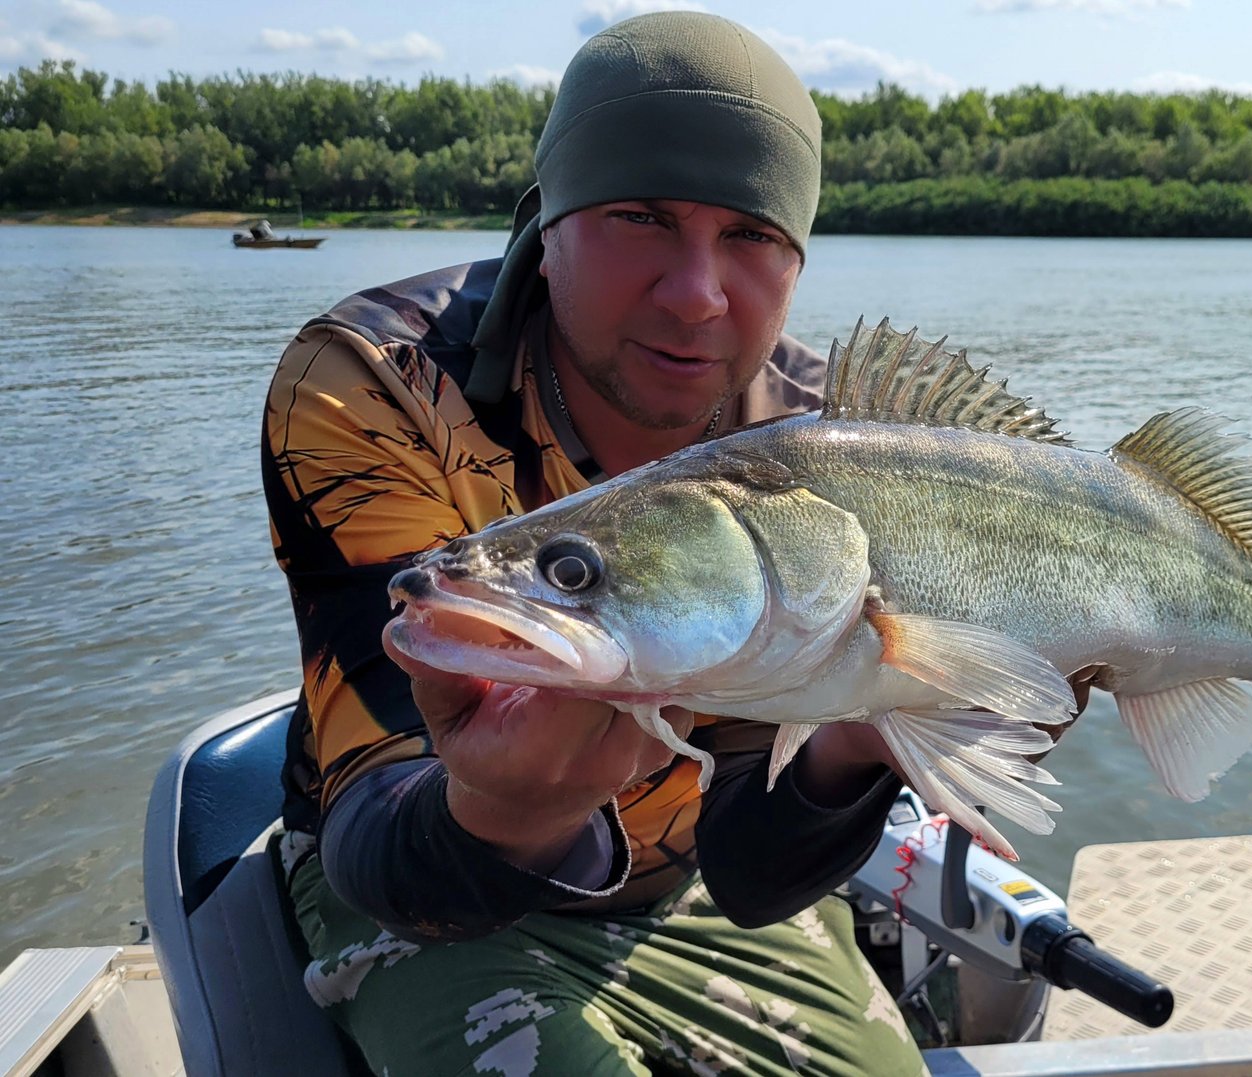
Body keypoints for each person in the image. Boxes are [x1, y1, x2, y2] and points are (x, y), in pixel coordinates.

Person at [260, 12, 930, 1075]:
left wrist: (869, 729)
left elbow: (753, 875)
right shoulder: (375, 383)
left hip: (692, 891)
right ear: (546, 221)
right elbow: (379, 836)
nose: (698, 294)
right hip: (415, 881)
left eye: (752, 236)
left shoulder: (820, 456)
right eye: (640, 216)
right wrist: (506, 808)